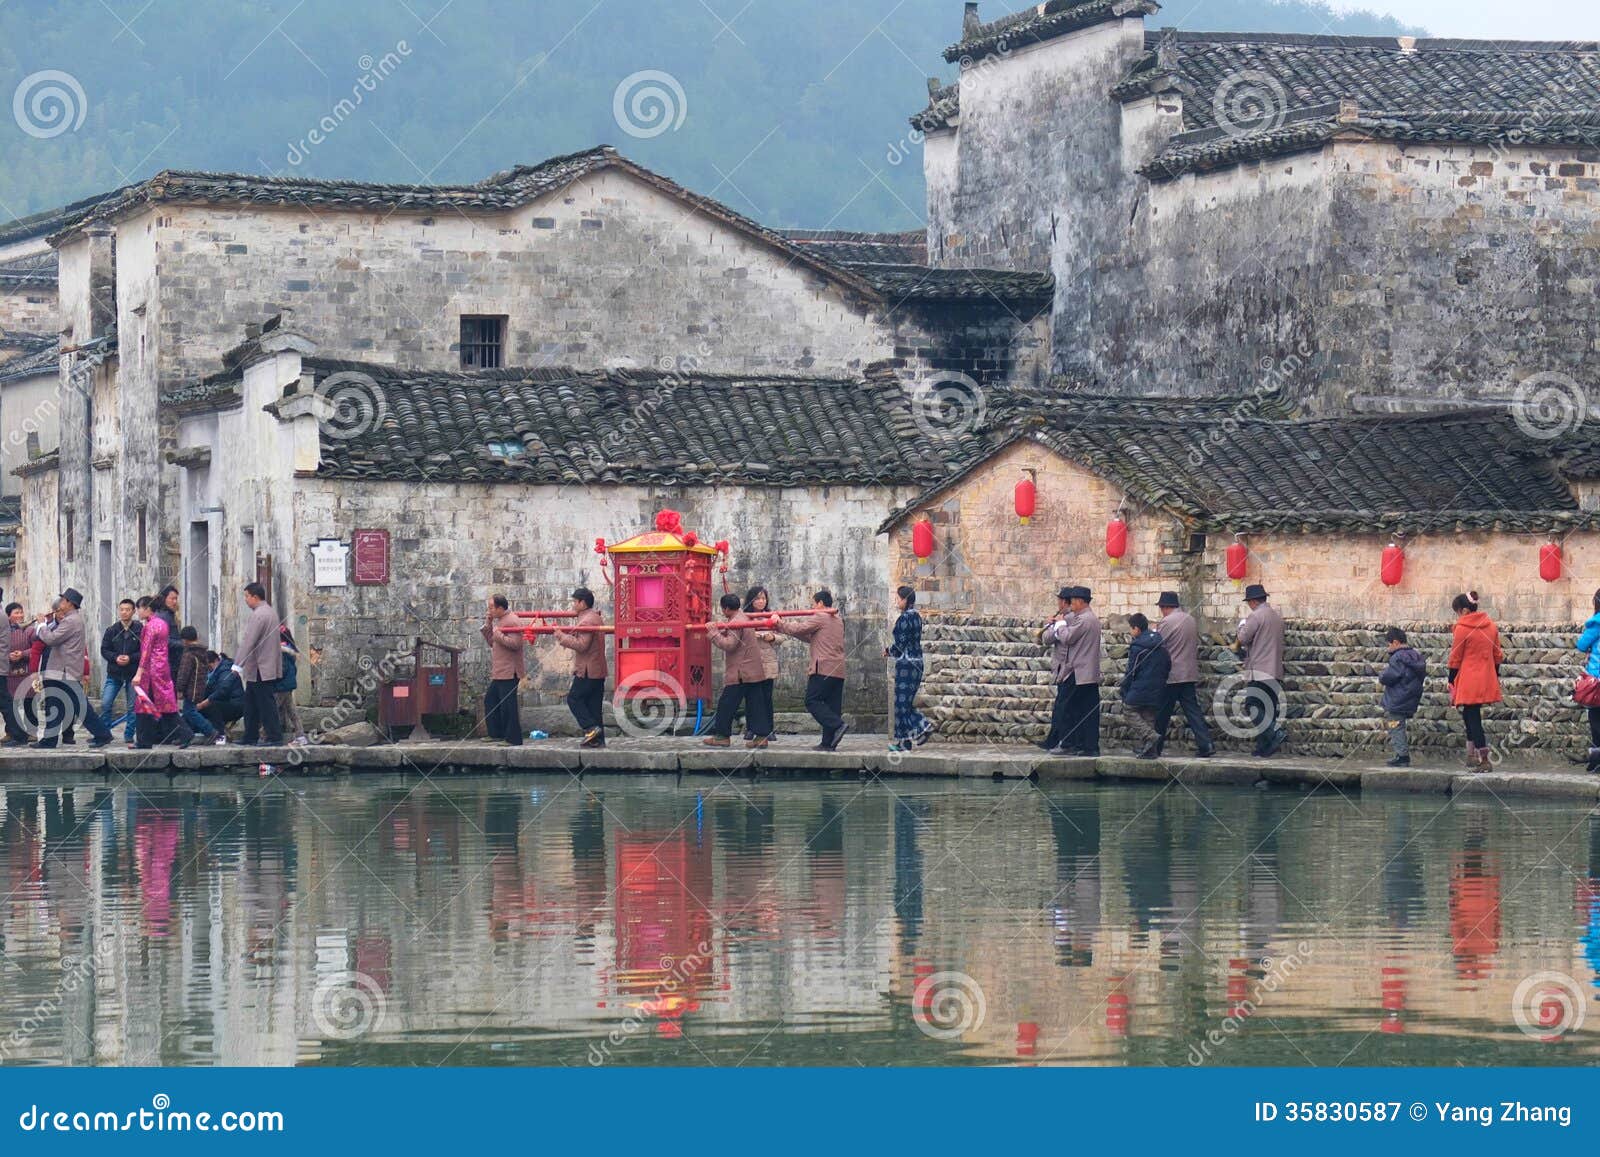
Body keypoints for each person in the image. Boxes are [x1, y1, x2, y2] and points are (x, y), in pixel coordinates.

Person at [32, 589, 114, 748]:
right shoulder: (71, 619)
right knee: (56, 704)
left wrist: (42, 624)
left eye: (62, 601)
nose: (60, 604)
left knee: (77, 705)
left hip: (63, 670)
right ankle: (50, 740)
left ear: (70, 603)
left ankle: (102, 734)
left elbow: (51, 639)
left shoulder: (71, 621)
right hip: (63, 670)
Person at [776, 589, 848, 750]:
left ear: (820, 603)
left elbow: (799, 628)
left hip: (823, 667)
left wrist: (779, 623)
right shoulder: (837, 619)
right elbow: (810, 637)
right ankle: (827, 743)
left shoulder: (820, 616)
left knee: (811, 701)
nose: (813, 607)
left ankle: (838, 725)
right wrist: (784, 628)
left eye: (813, 604)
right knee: (832, 706)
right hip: (838, 669)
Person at [1149, 592, 1214, 759]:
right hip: (1189, 672)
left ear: (1165, 607)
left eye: (1161, 608)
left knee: (1162, 713)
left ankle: (1154, 747)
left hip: (1172, 674)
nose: (1161, 611)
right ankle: (1206, 744)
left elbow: (1157, 644)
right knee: (1193, 710)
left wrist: (1153, 631)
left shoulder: (1166, 622)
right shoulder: (1190, 619)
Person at [704, 594, 772, 748]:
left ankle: (722, 736)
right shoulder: (743, 617)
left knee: (726, 704)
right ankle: (761, 737)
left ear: (726, 608)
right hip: (752, 670)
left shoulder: (736, 622)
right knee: (756, 704)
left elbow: (729, 644)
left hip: (741, 672)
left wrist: (714, 633)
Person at [131, 596, 195, 749]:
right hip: (162, 668)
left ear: (147, 608)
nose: (137, 611)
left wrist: (139, 673)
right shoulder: (162, 624)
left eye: (139, 608)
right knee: (154, 704)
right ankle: (144, 740)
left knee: (149, 703)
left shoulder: (150, 626)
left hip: (152, 672)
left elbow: (146, 651)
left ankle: (184, 733)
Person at [1449, 590, 1502, 771]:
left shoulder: (1462, 629)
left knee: (1472, 717)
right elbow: (1497, 656)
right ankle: (1471, 755)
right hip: (1486, 677)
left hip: (1468, 678)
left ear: (1463, 611)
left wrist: (1451, 679)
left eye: (1457, 612)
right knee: (1469, 714)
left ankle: (1484, 759)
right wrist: (1493, 676)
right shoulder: (1492, 627)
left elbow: (1455, 657)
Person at [1237, 584, 1286, 758]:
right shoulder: (1276, 617)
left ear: (1253, 601)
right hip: (1275, 670)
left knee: (1252, 704)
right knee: (1268, 708)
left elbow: (1243, 638)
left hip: (1259, 669)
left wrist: (1240, 627)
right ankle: (1264, 748)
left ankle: (1274, 733)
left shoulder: (1255, 616)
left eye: (1249, 602)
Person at [554, 587, 607, 748]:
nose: (573, 605)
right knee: (593, 705)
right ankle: (597, 740)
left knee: (574, 698)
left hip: (587, 669)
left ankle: (590, 729)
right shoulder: (593, 616)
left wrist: (561, 636)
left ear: (582, 603)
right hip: (596, 669)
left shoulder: (587, 620)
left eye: (574, 602)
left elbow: (582, 645)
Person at [235, 582, 284, 746]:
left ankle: (275, 737)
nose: (246, 600)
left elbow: (249, 641)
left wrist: (237, 664)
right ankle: (250, 736)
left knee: (265, 704)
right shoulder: (269, 612)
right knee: (251, 704)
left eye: (247, 596)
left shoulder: (259, 615)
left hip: (260, 667)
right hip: (262, 666)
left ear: (254, 597)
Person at [886, 585, 933, 752]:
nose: (897, 602)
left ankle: (923, 726)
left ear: (905, 600)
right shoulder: (917, 617)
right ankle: (904, 742)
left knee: (901, 704)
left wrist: (888, 652)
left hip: (906, 664)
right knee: (904, 703)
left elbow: (900, 645)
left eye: (898, 599)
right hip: (918, 662)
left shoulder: (904, 618)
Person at [1058, 587, 1102, 757]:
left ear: (1081, 602)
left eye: (1074, 600)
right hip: (1087, 671)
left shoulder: (1084, 620)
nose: (1072, 604)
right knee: (1086, 710)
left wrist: (1061, 625)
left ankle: (1071, 743)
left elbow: (1068, 638)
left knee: (1069, 708)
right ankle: (1086, 746)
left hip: (1079, 671)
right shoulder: (1089, 619)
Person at [1121, 613, 1171, 757]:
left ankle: (1150, 736)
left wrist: (1125, 688)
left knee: (1129, 710)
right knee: (1148, 715)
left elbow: (1132, 671)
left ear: (1136, 629)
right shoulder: (1160, 644)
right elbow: (1168, 664)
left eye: (1131, 628)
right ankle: (1150, 751)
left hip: (1140, 687)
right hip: (1158, 687)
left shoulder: (1137, 647)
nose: (1130, 632)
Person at [481, 595, 527, 746]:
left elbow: (516, 644)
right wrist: (488, 625)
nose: (489, 610)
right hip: (501, 670)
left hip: (510, 670)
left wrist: (497, 634)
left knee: (509, 705)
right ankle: (496, 734)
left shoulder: (512, 620)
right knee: (491, 700)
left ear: (500, 608)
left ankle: (513, 738)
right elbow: (492, 643)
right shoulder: (500, 621)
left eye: (491, 607)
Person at [1379, 627, 1426, 768]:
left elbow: (1391, 676)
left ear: (1395, 642)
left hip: (1397, 698)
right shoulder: (1416, 655)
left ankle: (1402, 755)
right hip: (1411, 696)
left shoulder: (1397, 657)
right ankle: (1402, 754)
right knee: (1399, 724)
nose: (1388, 648)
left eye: (1388, 644)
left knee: (1395, 725)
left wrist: (1382, 676)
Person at [742, 586, 781, 744]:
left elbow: (781, 637)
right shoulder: (745, 616)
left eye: (763, 598)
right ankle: (751, 728)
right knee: (751, 696)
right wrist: (755, 634)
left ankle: (769, 729)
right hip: (750, 660)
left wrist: (772, 637)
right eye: (758, 598)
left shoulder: (772, 616)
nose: (761, 601)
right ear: (751, 600)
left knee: (766, 697)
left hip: (767, 661)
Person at [1040, 587, 1077, 753]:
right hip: (1069, 668)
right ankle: (1055, 739)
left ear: (1063, 602)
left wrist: (1050, 626)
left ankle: (1059, 741)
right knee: (1064, 706)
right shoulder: (1072, 618)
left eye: (1059, 600)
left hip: (1065, 668)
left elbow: (1046, 639)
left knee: (1062, 707)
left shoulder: (1066, 619)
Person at [99, 598, 141, 743]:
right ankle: (104, 733)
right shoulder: (112, 630)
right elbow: (104, 650)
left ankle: (129, 735)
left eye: (127, 609)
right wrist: (115, 657)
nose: (124, 612)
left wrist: (131, 658)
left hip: (133, 673)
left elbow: (144, 651)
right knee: (105, 703)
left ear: (133, 611)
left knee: (132, 706)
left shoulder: (140, 630)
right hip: (114, 673)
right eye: (122, 609)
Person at [174, 625, 217, 741]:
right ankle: (185, 735)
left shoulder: (189, 654)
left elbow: (184, 673)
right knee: (189, 712)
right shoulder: (202, 653)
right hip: (199, 688)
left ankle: (210, 731)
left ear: (185, 640)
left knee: (190, 712)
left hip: (191, 689)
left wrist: (179, 689)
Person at [1, 602, 33, 745]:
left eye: (21, 612)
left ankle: (25, 733)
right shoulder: (5, 626)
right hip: (8, 671)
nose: (20, 615)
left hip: (24, 672)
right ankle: (14, 733)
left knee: (26, 702)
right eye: (16, 613)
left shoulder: (29, 630)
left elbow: (36, 649)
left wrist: (22, 654)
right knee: (9, 703)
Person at [197, 651, 245, 741]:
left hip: (236, 705)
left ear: (216, 661)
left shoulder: (226, 670)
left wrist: (204, 703)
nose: (208, 669)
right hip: (225, 702)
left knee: (212, 707)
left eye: (209, 666)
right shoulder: (215, 673)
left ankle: (220, 736)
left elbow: (223, 690)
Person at [1577, 590, 1600, 774]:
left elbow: (1582, 645)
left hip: (1597, 679)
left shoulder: (1596, 623)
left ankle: (1596, 759)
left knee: (1595, 718)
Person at [276, 626, 310, 746]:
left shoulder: (281, 651)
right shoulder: (291, 649)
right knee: (291, 711)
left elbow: (282, 669)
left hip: (281, 686)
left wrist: (274, 679)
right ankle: (300, 736)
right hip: (288, 685)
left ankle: (266, 735)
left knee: (272, 710)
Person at [156, 584, 183, 679]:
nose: (175, 602)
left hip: (173, 661)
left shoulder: (170, 615)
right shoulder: (163, 617)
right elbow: (162, 641)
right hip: (168, 663)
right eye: (172, 599)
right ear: (164, 599)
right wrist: (182, 643)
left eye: (176, 599)